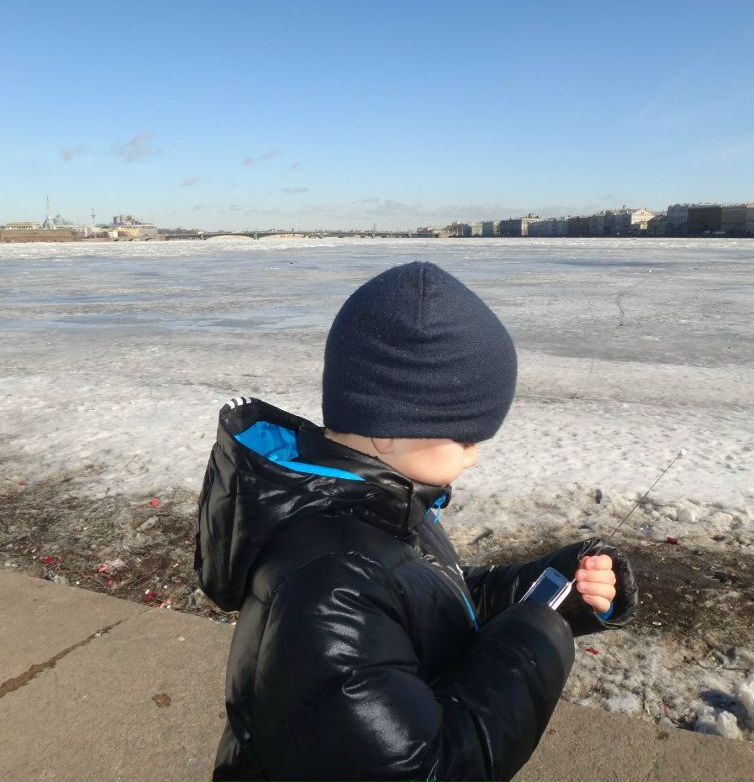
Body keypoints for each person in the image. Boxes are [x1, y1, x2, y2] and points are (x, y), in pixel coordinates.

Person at [196, 261, 638, 781]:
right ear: (391, 427)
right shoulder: (328, 589)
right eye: (467, 439)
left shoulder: (380, 505)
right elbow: (430, 770)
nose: (474, 457)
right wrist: (537, 635)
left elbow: (430, 597)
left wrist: (551, 586)